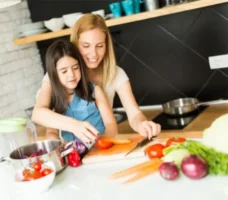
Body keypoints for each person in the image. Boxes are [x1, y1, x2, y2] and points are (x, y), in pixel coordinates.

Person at [32, 14, 161, 145]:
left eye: (99, 46)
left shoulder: (116, 74)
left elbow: (134, 115)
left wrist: (143, 124)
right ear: (75, 44)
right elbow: (38, 114)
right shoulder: (59, 74)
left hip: (103, 144)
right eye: (86, 46)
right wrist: (75, 126)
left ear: (106, 45)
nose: (93, 54)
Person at [38, 39, 117, 144]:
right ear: (54, 74)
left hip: (99, 147)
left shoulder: (95, 91)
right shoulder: (53, 99)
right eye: (64, 71)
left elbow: (111, 124)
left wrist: (104, 141)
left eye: (75, 68)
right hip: (73, 154)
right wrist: (58, 144)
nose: (71, 74)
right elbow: (51, 131)